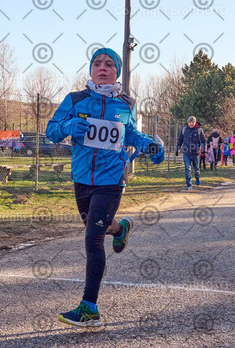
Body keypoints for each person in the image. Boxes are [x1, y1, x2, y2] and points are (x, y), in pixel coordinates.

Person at [47, 48, 164, 327]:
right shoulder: (75, 99)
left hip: (112, 179)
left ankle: (89, 308)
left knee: (93, 239)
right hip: (82, 178)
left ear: (116, 72)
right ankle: (120, 229)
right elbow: (52, 130)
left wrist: (150, 144)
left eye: (109, 64)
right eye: (97, 63)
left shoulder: (125, 104)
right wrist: (69, 126)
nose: (102, 68)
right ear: (91, 70)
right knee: (95, 227)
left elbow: (130, 133)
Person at [176, 116, 206, 189]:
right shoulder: (184, 130)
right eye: (190, 122)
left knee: (196, 169)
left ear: (195, 123)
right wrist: (177, 149)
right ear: (188, 122)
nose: (191, 124)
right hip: (186, 153)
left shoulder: (199, 130)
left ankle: (197, 178)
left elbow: (203, 141)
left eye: (193, 122)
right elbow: (180, 140)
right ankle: (189, 184)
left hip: (196, 153)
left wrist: (204, 149)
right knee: (187, 168)